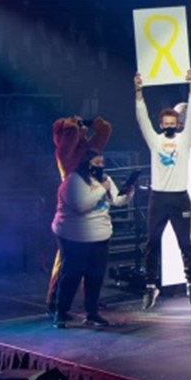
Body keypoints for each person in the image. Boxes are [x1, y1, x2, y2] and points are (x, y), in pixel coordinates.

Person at [134, 70, 191, 309]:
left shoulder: (185, 139)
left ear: (178, 124)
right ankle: (151, 286)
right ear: (161, 125)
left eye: (174, 124)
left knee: (184, 242)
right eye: (166, 124)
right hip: (158, 198)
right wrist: (139, 90)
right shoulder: (155, 140)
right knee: (152, 241)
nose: (170, 126)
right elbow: (142, 118)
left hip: (180, 198)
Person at [49, 150, 134, 327]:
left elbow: (116, 201)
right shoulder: (72, 182)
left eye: (103, 163)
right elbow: (82, 205)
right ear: (86, 163)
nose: (100, 167)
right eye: (97, 163)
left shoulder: (105, 180)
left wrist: (128, 194)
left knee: (95, 276)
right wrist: (103, 188)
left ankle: (92, 312)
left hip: (100, 235)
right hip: (74, 236)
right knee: (72, 275)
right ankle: (61, 312)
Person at [47, 109, 112, 306]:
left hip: (91, 205)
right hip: (73, 206)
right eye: (78, 127)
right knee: (66, 263)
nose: (81, 129)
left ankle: (90, 300)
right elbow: (69, 137)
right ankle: (54, 301)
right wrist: (73, 125)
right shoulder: (64, 152)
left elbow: (105, 131)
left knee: (91, 263)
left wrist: (94, 124)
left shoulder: (87, 149)